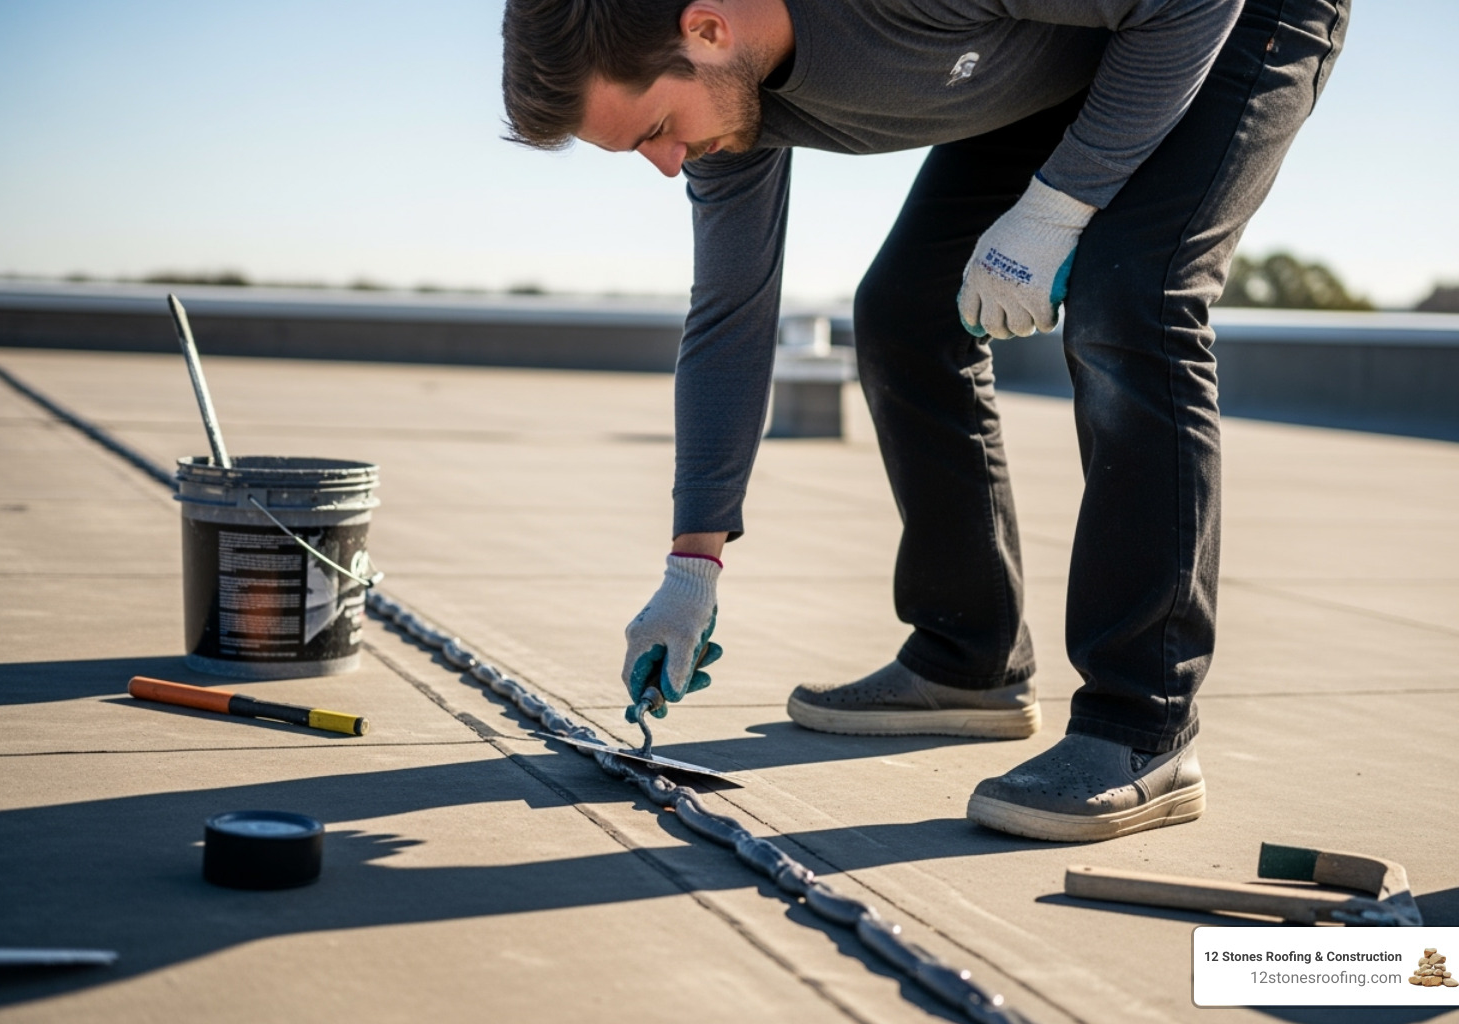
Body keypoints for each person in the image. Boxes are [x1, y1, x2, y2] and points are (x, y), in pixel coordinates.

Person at [501, 0, 1348, 841]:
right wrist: (693, 566)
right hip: (1075, 46)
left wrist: (1061, 205)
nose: (667, 162)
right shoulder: (727, 108)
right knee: (908, 311)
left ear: (709, 28)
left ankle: (1143, 727)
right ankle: (969, 660)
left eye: (656, 129)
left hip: (1227, 16)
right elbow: (731, 311)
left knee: (1129, 298)